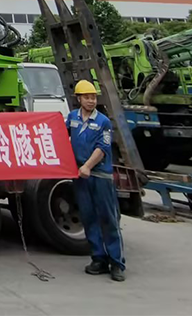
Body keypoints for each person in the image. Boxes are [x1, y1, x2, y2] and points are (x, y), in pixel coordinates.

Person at [67, 79, 125, 282]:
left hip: (99, 175)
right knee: (89, 217)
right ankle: (98, 258)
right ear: (79, 99)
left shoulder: (103, 122)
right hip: (81, 176)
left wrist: (87, 167)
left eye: (93, 97)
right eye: (87, 97)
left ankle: (116, 262)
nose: (91, 101)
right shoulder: (72, 118)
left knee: (108, 218)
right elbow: (62, 137)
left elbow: (103, 148)